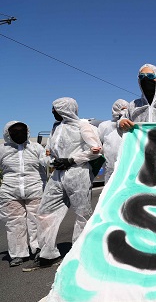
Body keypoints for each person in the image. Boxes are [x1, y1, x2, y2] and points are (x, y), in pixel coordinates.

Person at [22, 97, 102, 271]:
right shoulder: (56, 128)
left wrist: (72, 160)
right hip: (58, 175)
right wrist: (52, 162)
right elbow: (49, 151)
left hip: (78, 174)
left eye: (55, 109)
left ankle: (80, 253)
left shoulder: (84, 126)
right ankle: (47, 253)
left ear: (66, 109)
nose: (52, 112)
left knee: (82, 214)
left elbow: (96, 150)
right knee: (44, 212)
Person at [0, 121, 47, 267]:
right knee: (14, 223)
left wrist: (51, 156)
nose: (19, 133)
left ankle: (38, 249)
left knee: (37, 220)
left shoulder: (36, 147)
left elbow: (47, 162)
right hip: (10, 191)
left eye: (22, 130)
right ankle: (18, 254)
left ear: (27, 132)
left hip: (35, 189)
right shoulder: (2, 150)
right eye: (15, 131)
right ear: (8, 133)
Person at [97, 99, 128, 183]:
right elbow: (98, 143)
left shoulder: (129, 124)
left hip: (128, 166)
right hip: (110, 167)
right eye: (121, 109)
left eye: (126, 109)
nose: (123, 112)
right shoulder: (105, 125)